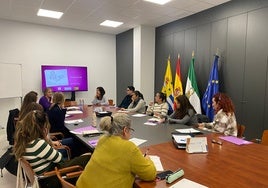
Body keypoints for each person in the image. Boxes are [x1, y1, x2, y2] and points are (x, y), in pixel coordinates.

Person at [13, 110, 90, 188]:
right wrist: (47, 139)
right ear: (42, 127)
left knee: (82, 157)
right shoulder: (39, 144)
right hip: (51, 179)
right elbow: (60, 158)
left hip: (44, 178)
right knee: (87, 158)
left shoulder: (24, 141)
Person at [76, 113, 156, 188]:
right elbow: (150, 175)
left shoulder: (102, 139)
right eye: (130, 130)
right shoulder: (129, 147)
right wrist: (148, 160)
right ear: (125, 130)